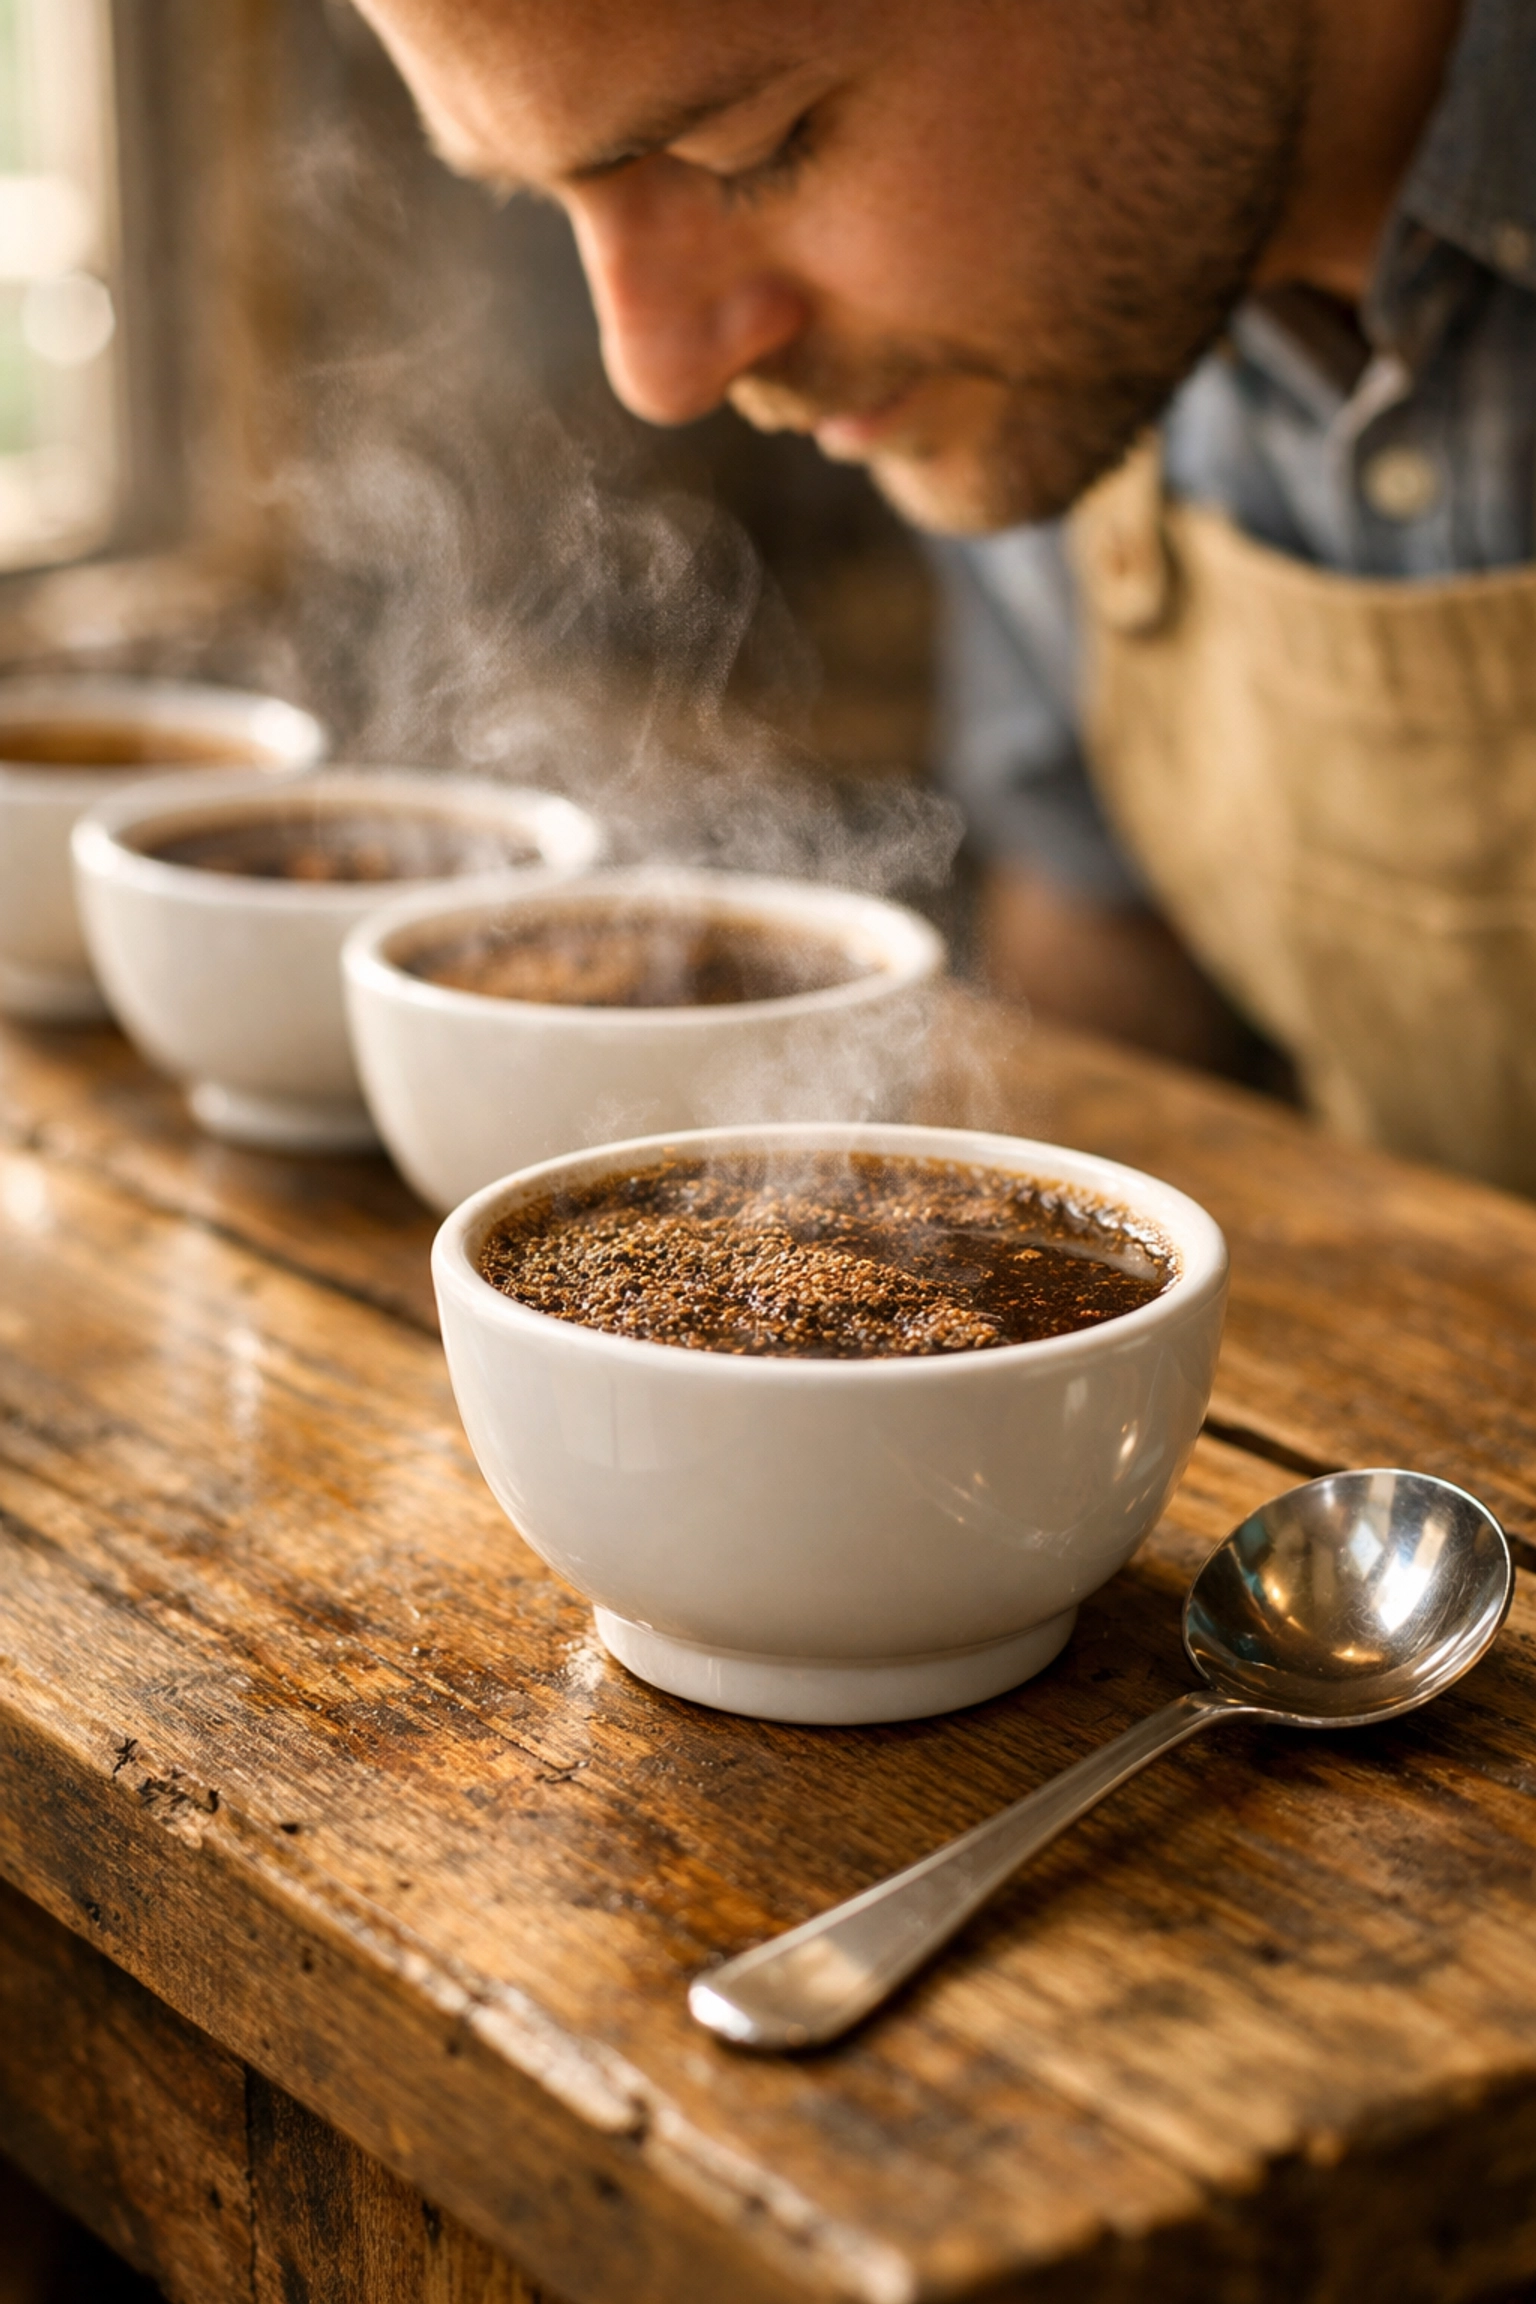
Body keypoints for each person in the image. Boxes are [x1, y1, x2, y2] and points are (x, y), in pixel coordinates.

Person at [349, 0, 1536, 1188]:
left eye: (757, 153)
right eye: (539, 195)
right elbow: (1103, 953)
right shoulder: (1055, 332)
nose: (660, 372)